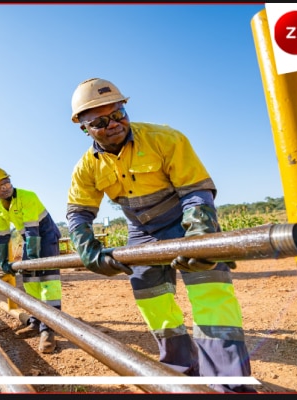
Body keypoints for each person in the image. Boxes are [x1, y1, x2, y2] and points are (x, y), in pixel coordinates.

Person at [65, 78, 256, 393]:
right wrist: (88, 250)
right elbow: (78, 213)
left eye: (119, 113)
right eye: (100, 121)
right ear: (84, 128)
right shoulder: (86, 167)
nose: (113, 124)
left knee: (211, 294)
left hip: (186, 219)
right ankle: (181, 372)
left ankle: (229, 385)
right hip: (142, 230)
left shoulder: (165, 138)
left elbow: (196, 191)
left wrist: (200, 236)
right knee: (151, 298)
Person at [0, 167, 63, 354]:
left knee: (48, 283)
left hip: (46, 237)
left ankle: (48, 329)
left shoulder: (27, 196)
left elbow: (32, 230)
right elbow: (2, 236)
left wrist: (33, 260)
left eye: (6, 183)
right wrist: (3, 261)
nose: (5, 188)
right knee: (30, 282)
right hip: (30, 240)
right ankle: (36, 321)